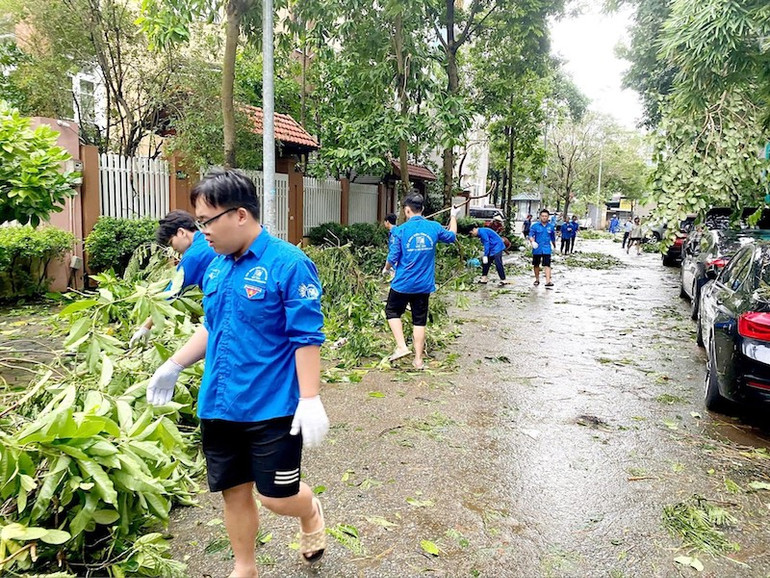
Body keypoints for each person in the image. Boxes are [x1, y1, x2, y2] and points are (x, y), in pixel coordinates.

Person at [145, 169, 329, 576]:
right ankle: (244, 567)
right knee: (233, 492)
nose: (202, 232)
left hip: (272, 408)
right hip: (220, 402)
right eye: (198, 223)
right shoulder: (215, 266)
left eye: (207, 221)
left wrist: (310, 397)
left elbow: (306, 336)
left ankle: (309, 509)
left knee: (276, 497)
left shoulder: (288, 264)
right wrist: (173, 364)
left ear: (240, 215)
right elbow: (213, 326)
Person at [382, 193, 459, 370]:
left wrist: (386, 269)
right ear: (422, 209)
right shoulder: (434, 227)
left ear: (407, 210)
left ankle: (401, 346)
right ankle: (418, 360)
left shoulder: (401, 230)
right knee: (419, 321)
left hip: (402, 284)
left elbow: (393, 257)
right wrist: (454, 215)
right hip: (424, 286)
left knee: (392, 311)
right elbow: (452, 236)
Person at [128, 210, 218, 347]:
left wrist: (146, 327)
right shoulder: (205, 243)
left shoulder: (194, 256)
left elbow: (172, 293)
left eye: (171, 243)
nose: (173, 249)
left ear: (181, 232)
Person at [529, 209, 556, 287]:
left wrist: (554, 246)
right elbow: (530, 235)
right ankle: (537, 279)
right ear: (540, 217)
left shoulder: (551, 227)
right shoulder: (535, 226)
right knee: (536, 264)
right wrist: (532, 242)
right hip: (537, 248)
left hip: (547, 248)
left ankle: (548, 281)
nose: (544, 217)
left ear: (548, 217)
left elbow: (552, 238)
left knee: (547, 264)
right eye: (543, 216)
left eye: (546, 216)